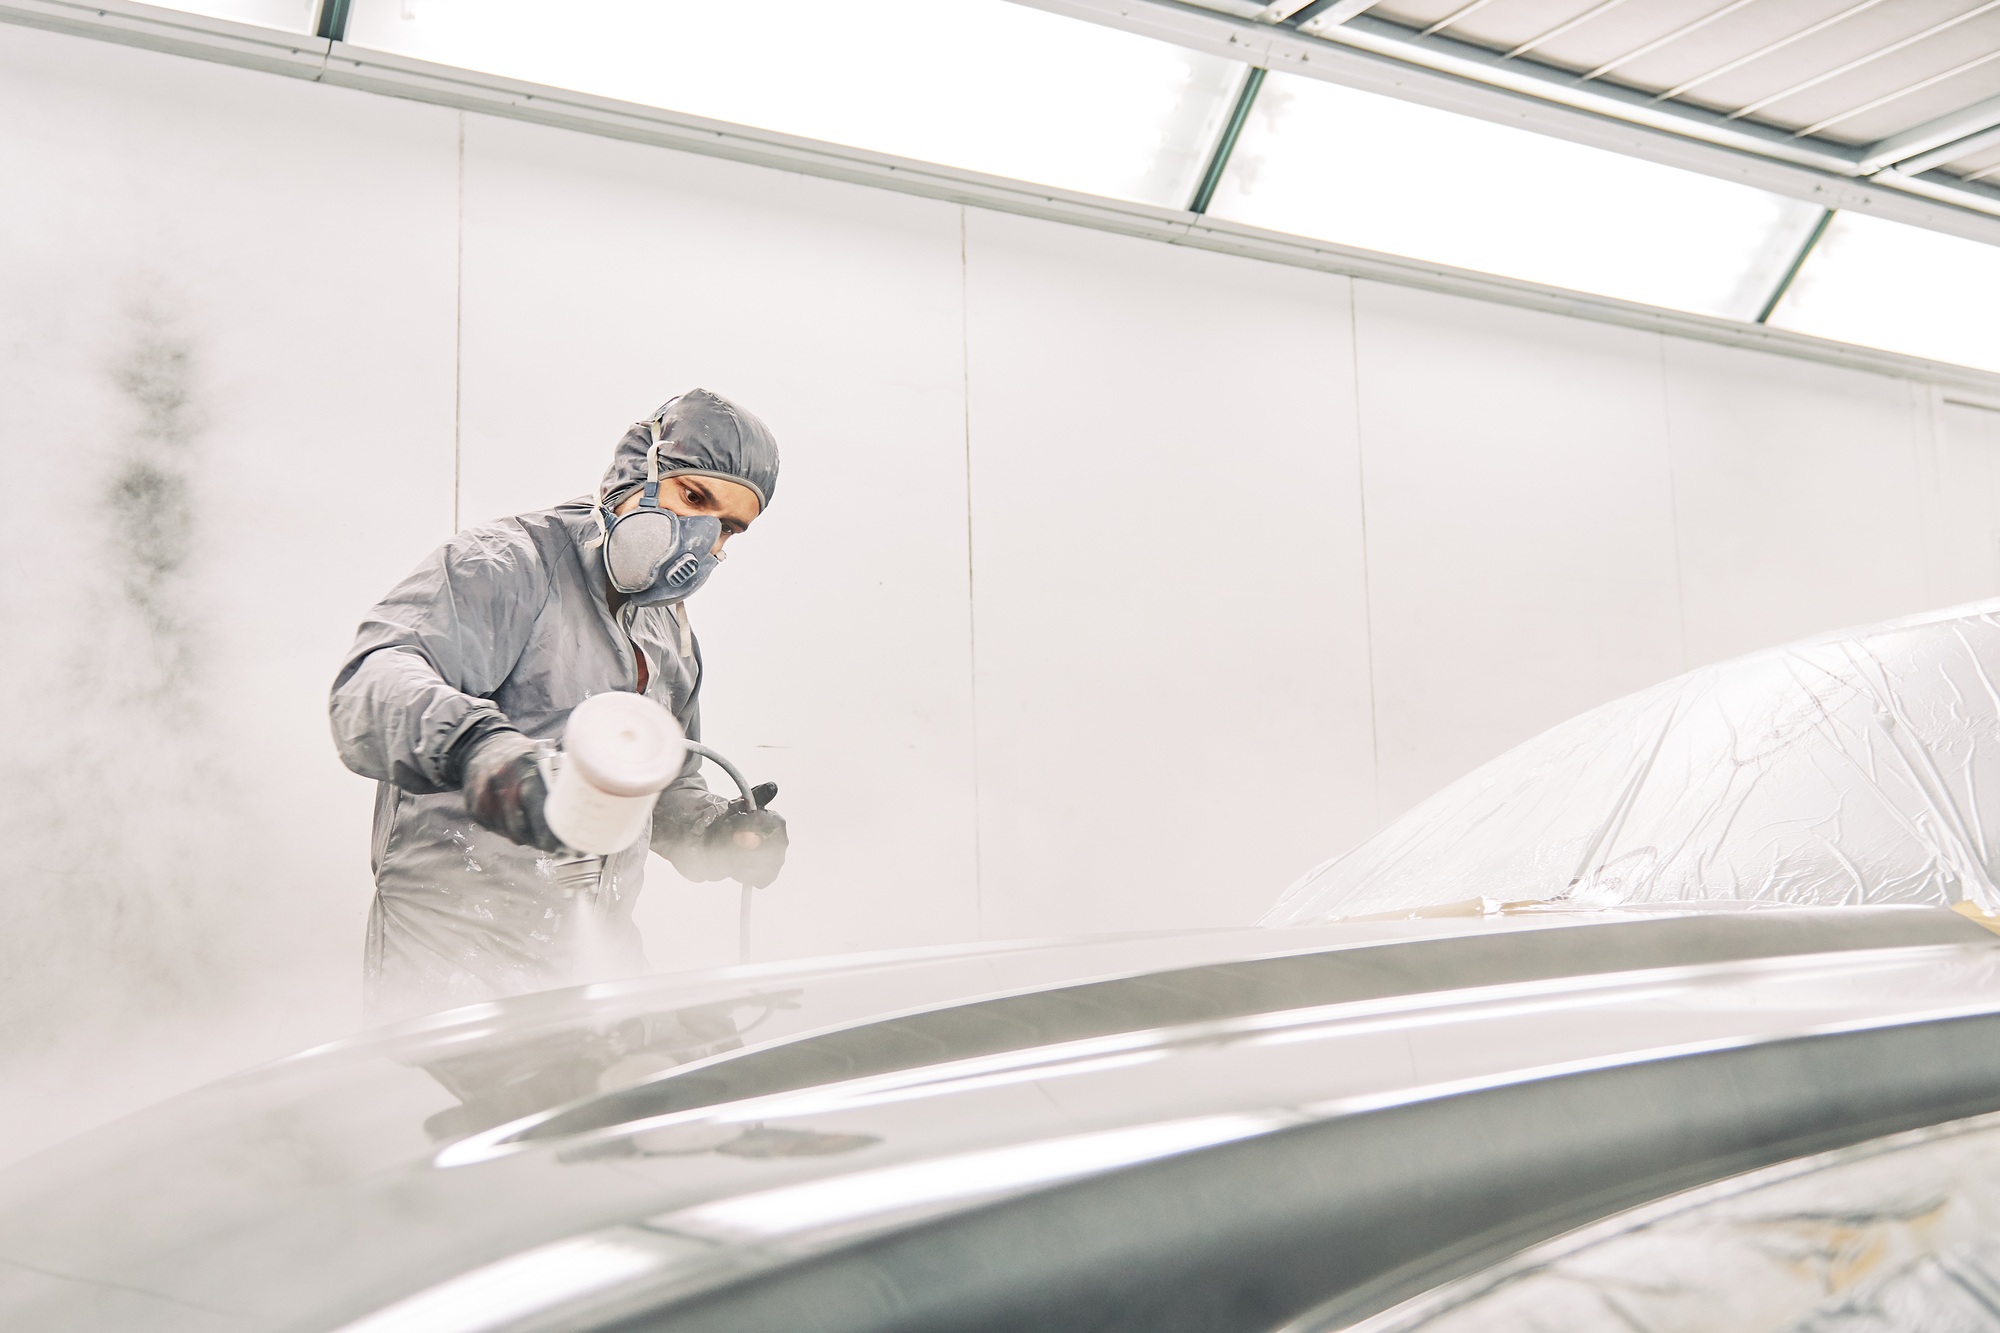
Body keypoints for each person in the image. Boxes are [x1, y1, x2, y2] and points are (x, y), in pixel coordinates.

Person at [329, 389, 787, 1019]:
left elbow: (658, 789)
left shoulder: (668, 632)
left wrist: (713, 829)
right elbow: (368, 686)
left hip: (595, 972)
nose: (702, 540)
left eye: (728, 529)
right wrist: (482, 750)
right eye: (694, 499)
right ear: (636, 475)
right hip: (455, 975)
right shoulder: (505, 566)